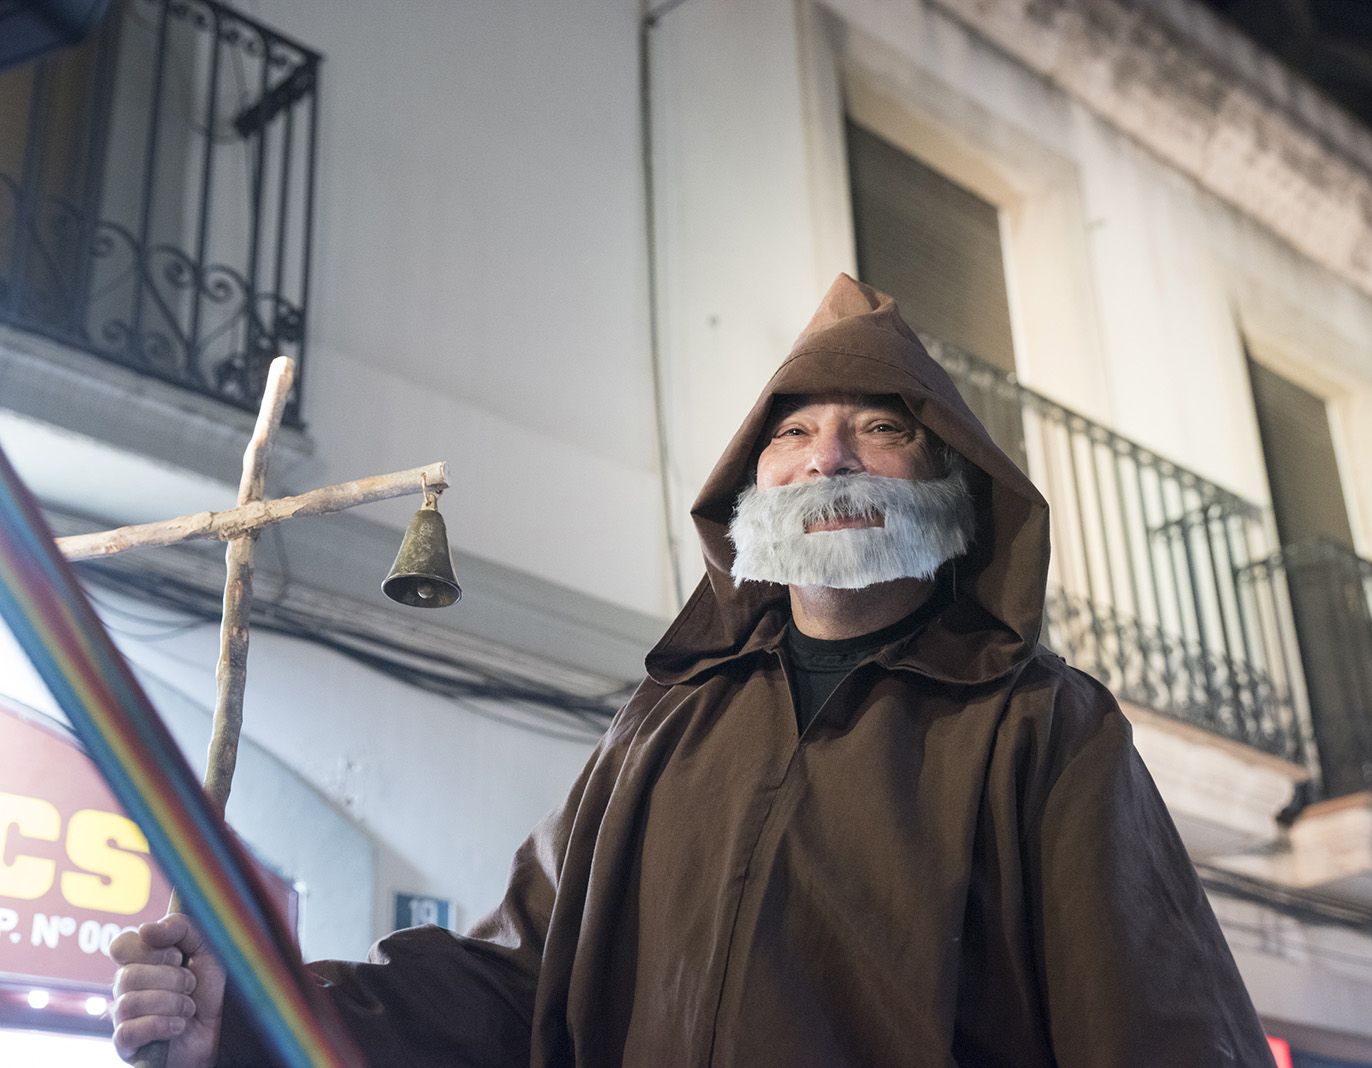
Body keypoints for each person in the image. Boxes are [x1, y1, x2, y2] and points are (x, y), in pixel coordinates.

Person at [111, 275, 1274, 1066]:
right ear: (748, 495)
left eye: (880, 427)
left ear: (950, 488)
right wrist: (256, 1008)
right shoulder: (663, 726)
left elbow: (1161, 1036)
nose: (825, 457)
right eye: (790, 431)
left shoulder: (1041, 729)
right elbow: (516, 979)